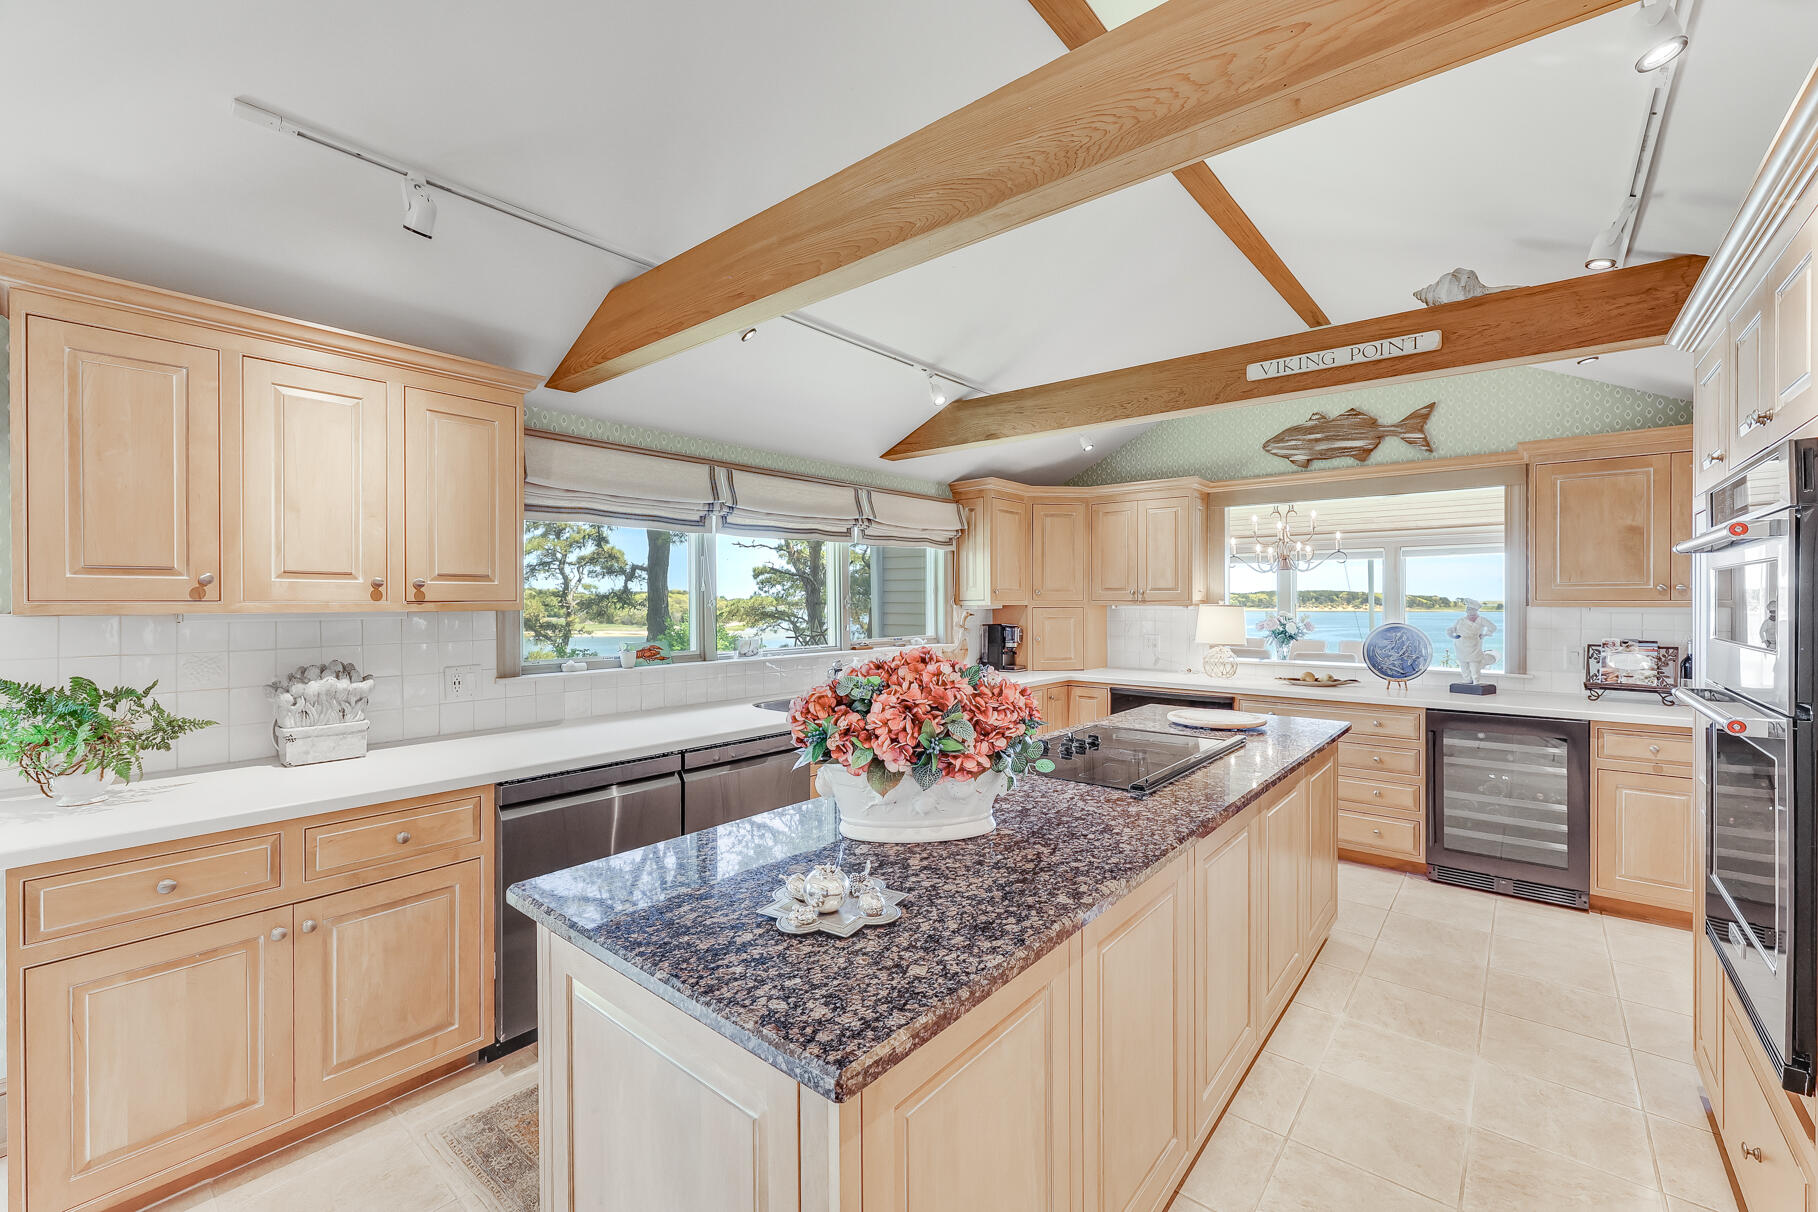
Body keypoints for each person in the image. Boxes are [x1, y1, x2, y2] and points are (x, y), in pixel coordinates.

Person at [1446, 599, 1498, 684]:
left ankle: (1476, 681)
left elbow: (1493, 627)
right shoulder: (1461, 620)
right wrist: (1451, 633)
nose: (1469, 611)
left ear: (1476, 610)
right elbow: (1453, 629)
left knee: (1475, 664)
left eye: (1471, 609)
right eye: (1468, 609)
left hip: (1474, 645)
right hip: (1461, 645)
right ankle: (1467, 680)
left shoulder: (1481, 619)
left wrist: (1484, 634)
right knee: (1463, 664)